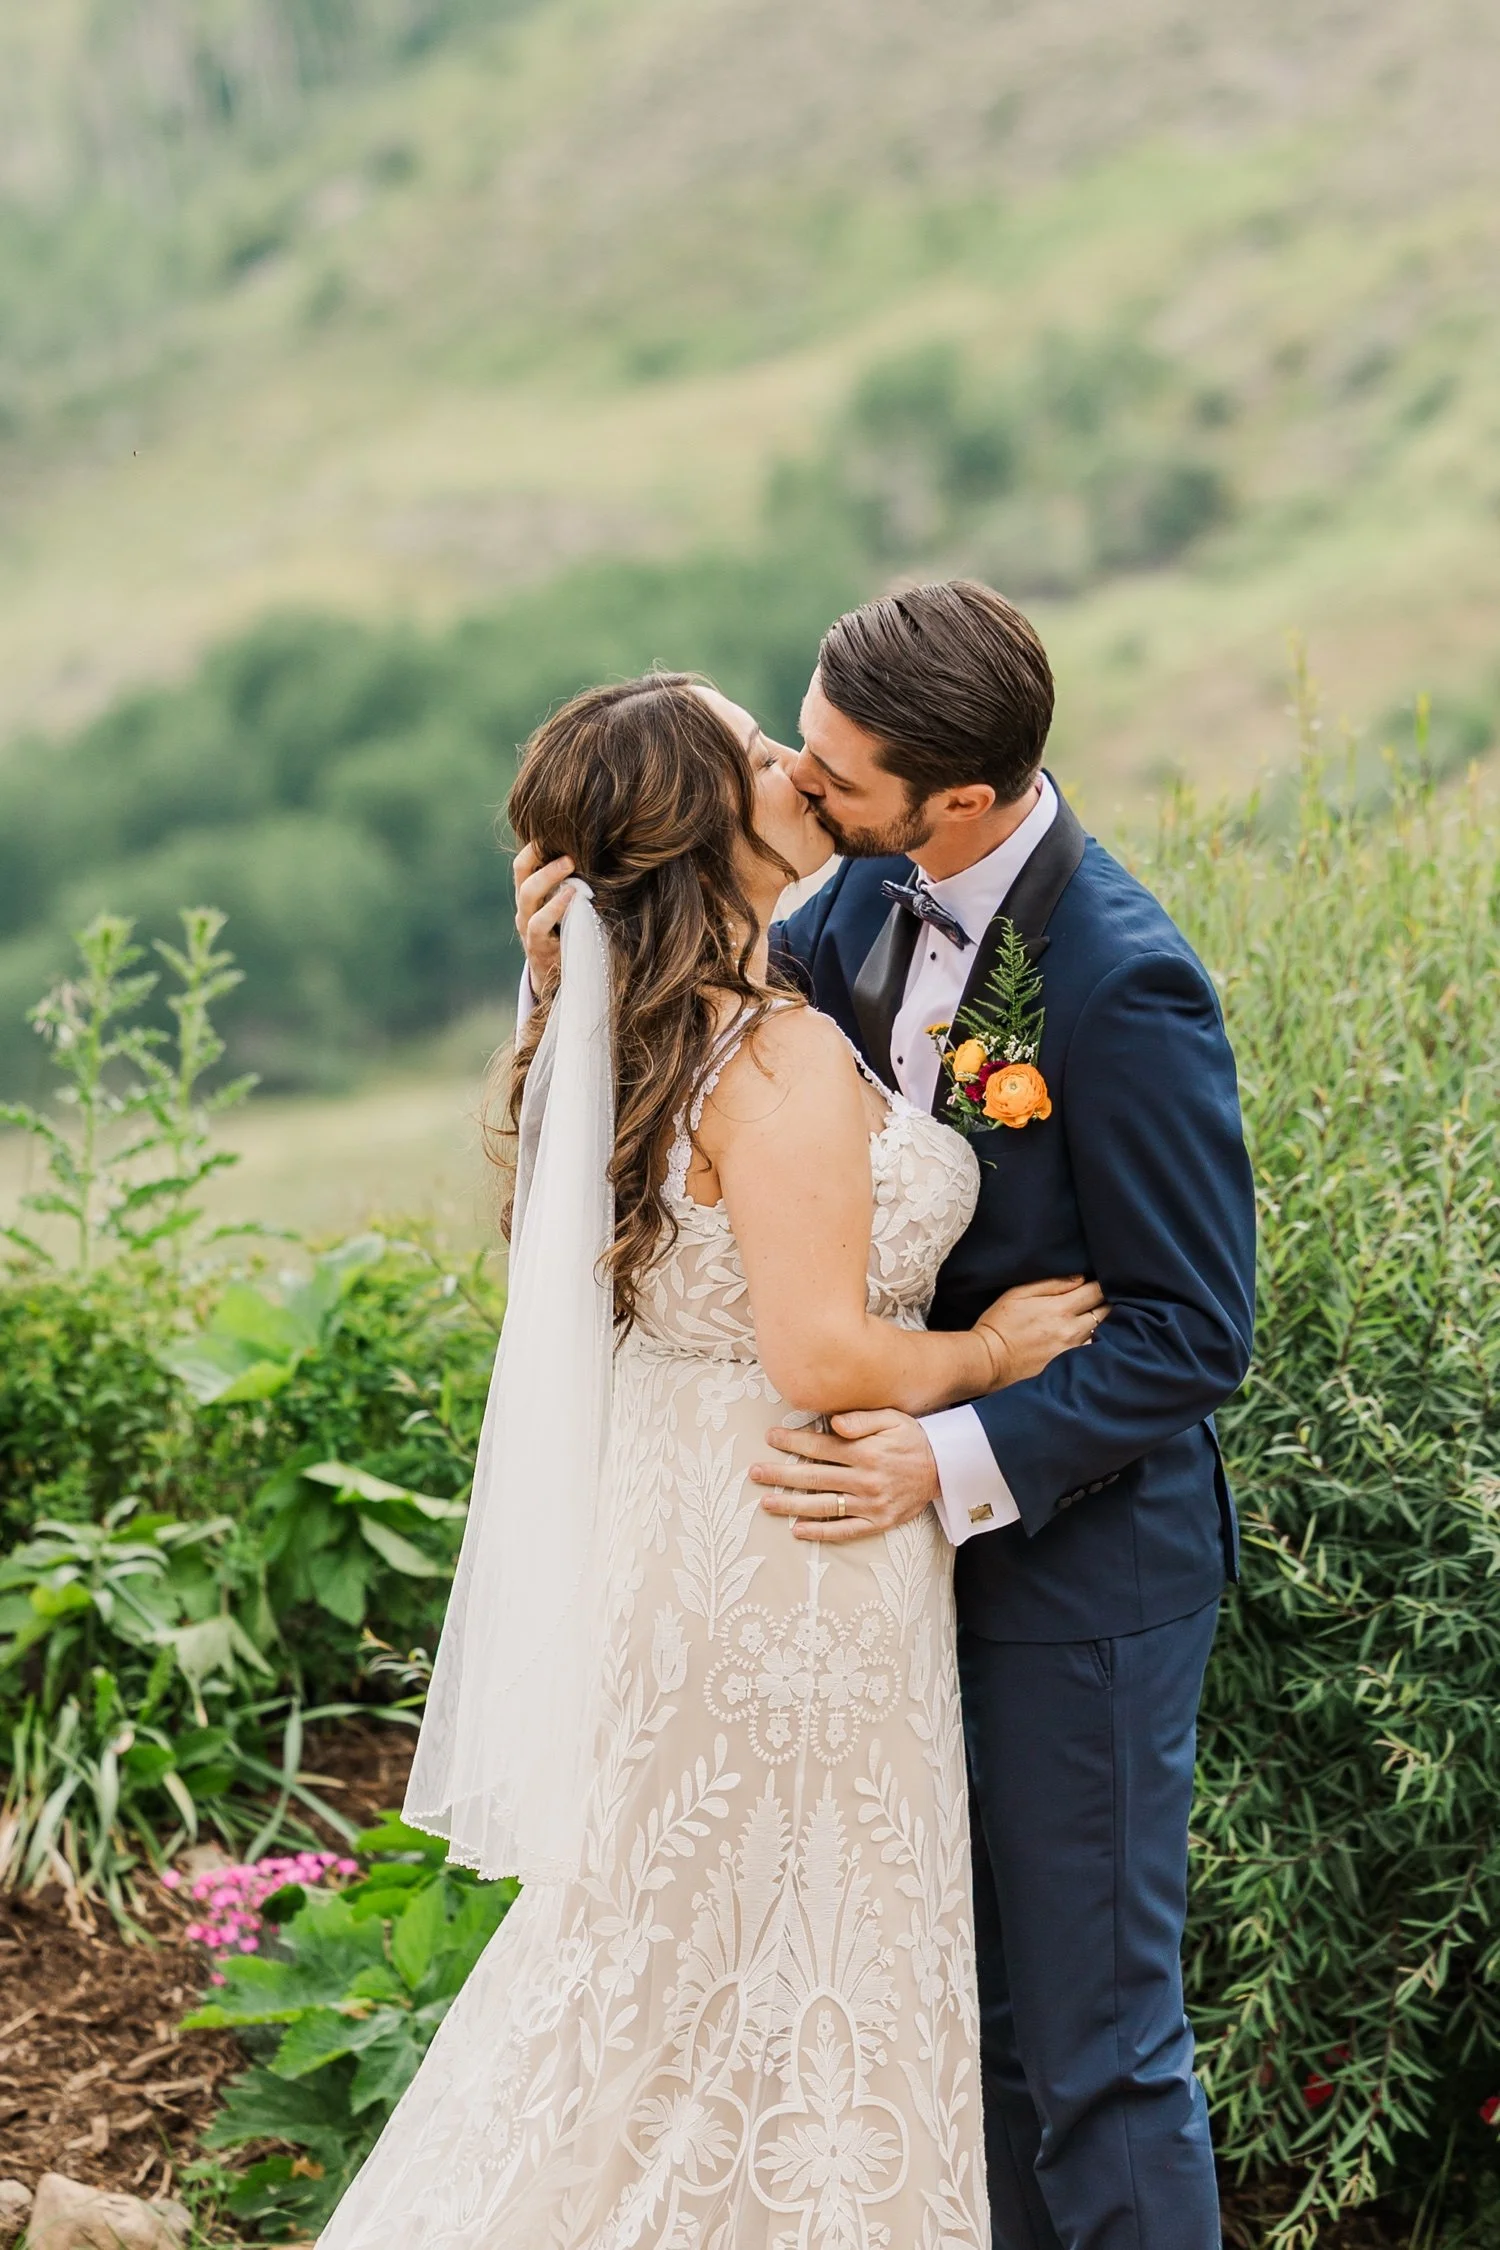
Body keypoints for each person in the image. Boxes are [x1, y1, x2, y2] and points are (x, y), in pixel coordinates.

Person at [319, 673, 1103, 2250]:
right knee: (797, 1990)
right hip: (794, 1557)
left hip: (680, 1534)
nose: (794, 765)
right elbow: (819, 1354)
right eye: (757, 751)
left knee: (660, 1985)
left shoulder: (624, 1041)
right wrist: (993, 1355)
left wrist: (550, 979)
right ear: (701, 820)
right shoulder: (778, 1052)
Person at [516, 584, 1257, 2250]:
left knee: (1096, 2051)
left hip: (1075, 1578)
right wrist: (560, 961)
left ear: (964, 801)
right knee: (935, 2031)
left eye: (840, 774)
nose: (803, 784)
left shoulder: (1123, 982)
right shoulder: (840, 905)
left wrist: (954, 1445)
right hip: (835, 1598)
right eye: (802, 743)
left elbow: (1194, 1329)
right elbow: (675, 1069)